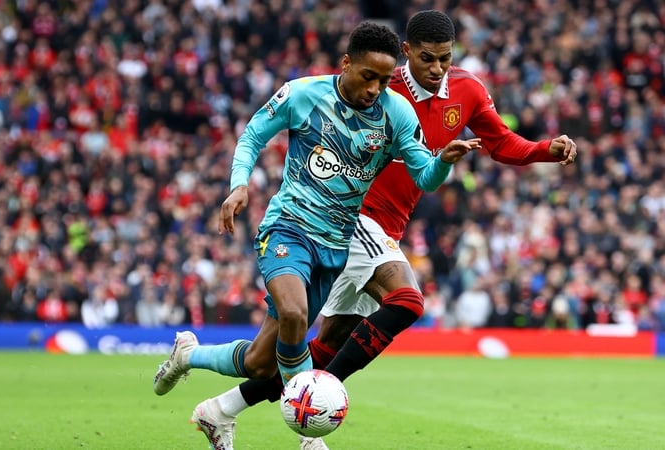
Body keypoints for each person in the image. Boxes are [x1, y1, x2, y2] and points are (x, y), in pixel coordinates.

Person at [153, 20, 480, 450]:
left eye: (384, 80)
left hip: (334, 247)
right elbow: (253, 135)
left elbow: (424, 176)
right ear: (346, 64)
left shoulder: (395, 113)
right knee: (293, 314)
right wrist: (239, 184)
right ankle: (308, 432)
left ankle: (187, 355)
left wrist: (444, 162)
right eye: (367, 77)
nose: (374, 89)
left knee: (259, 363)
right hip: (287, 228)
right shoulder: (304, 94)